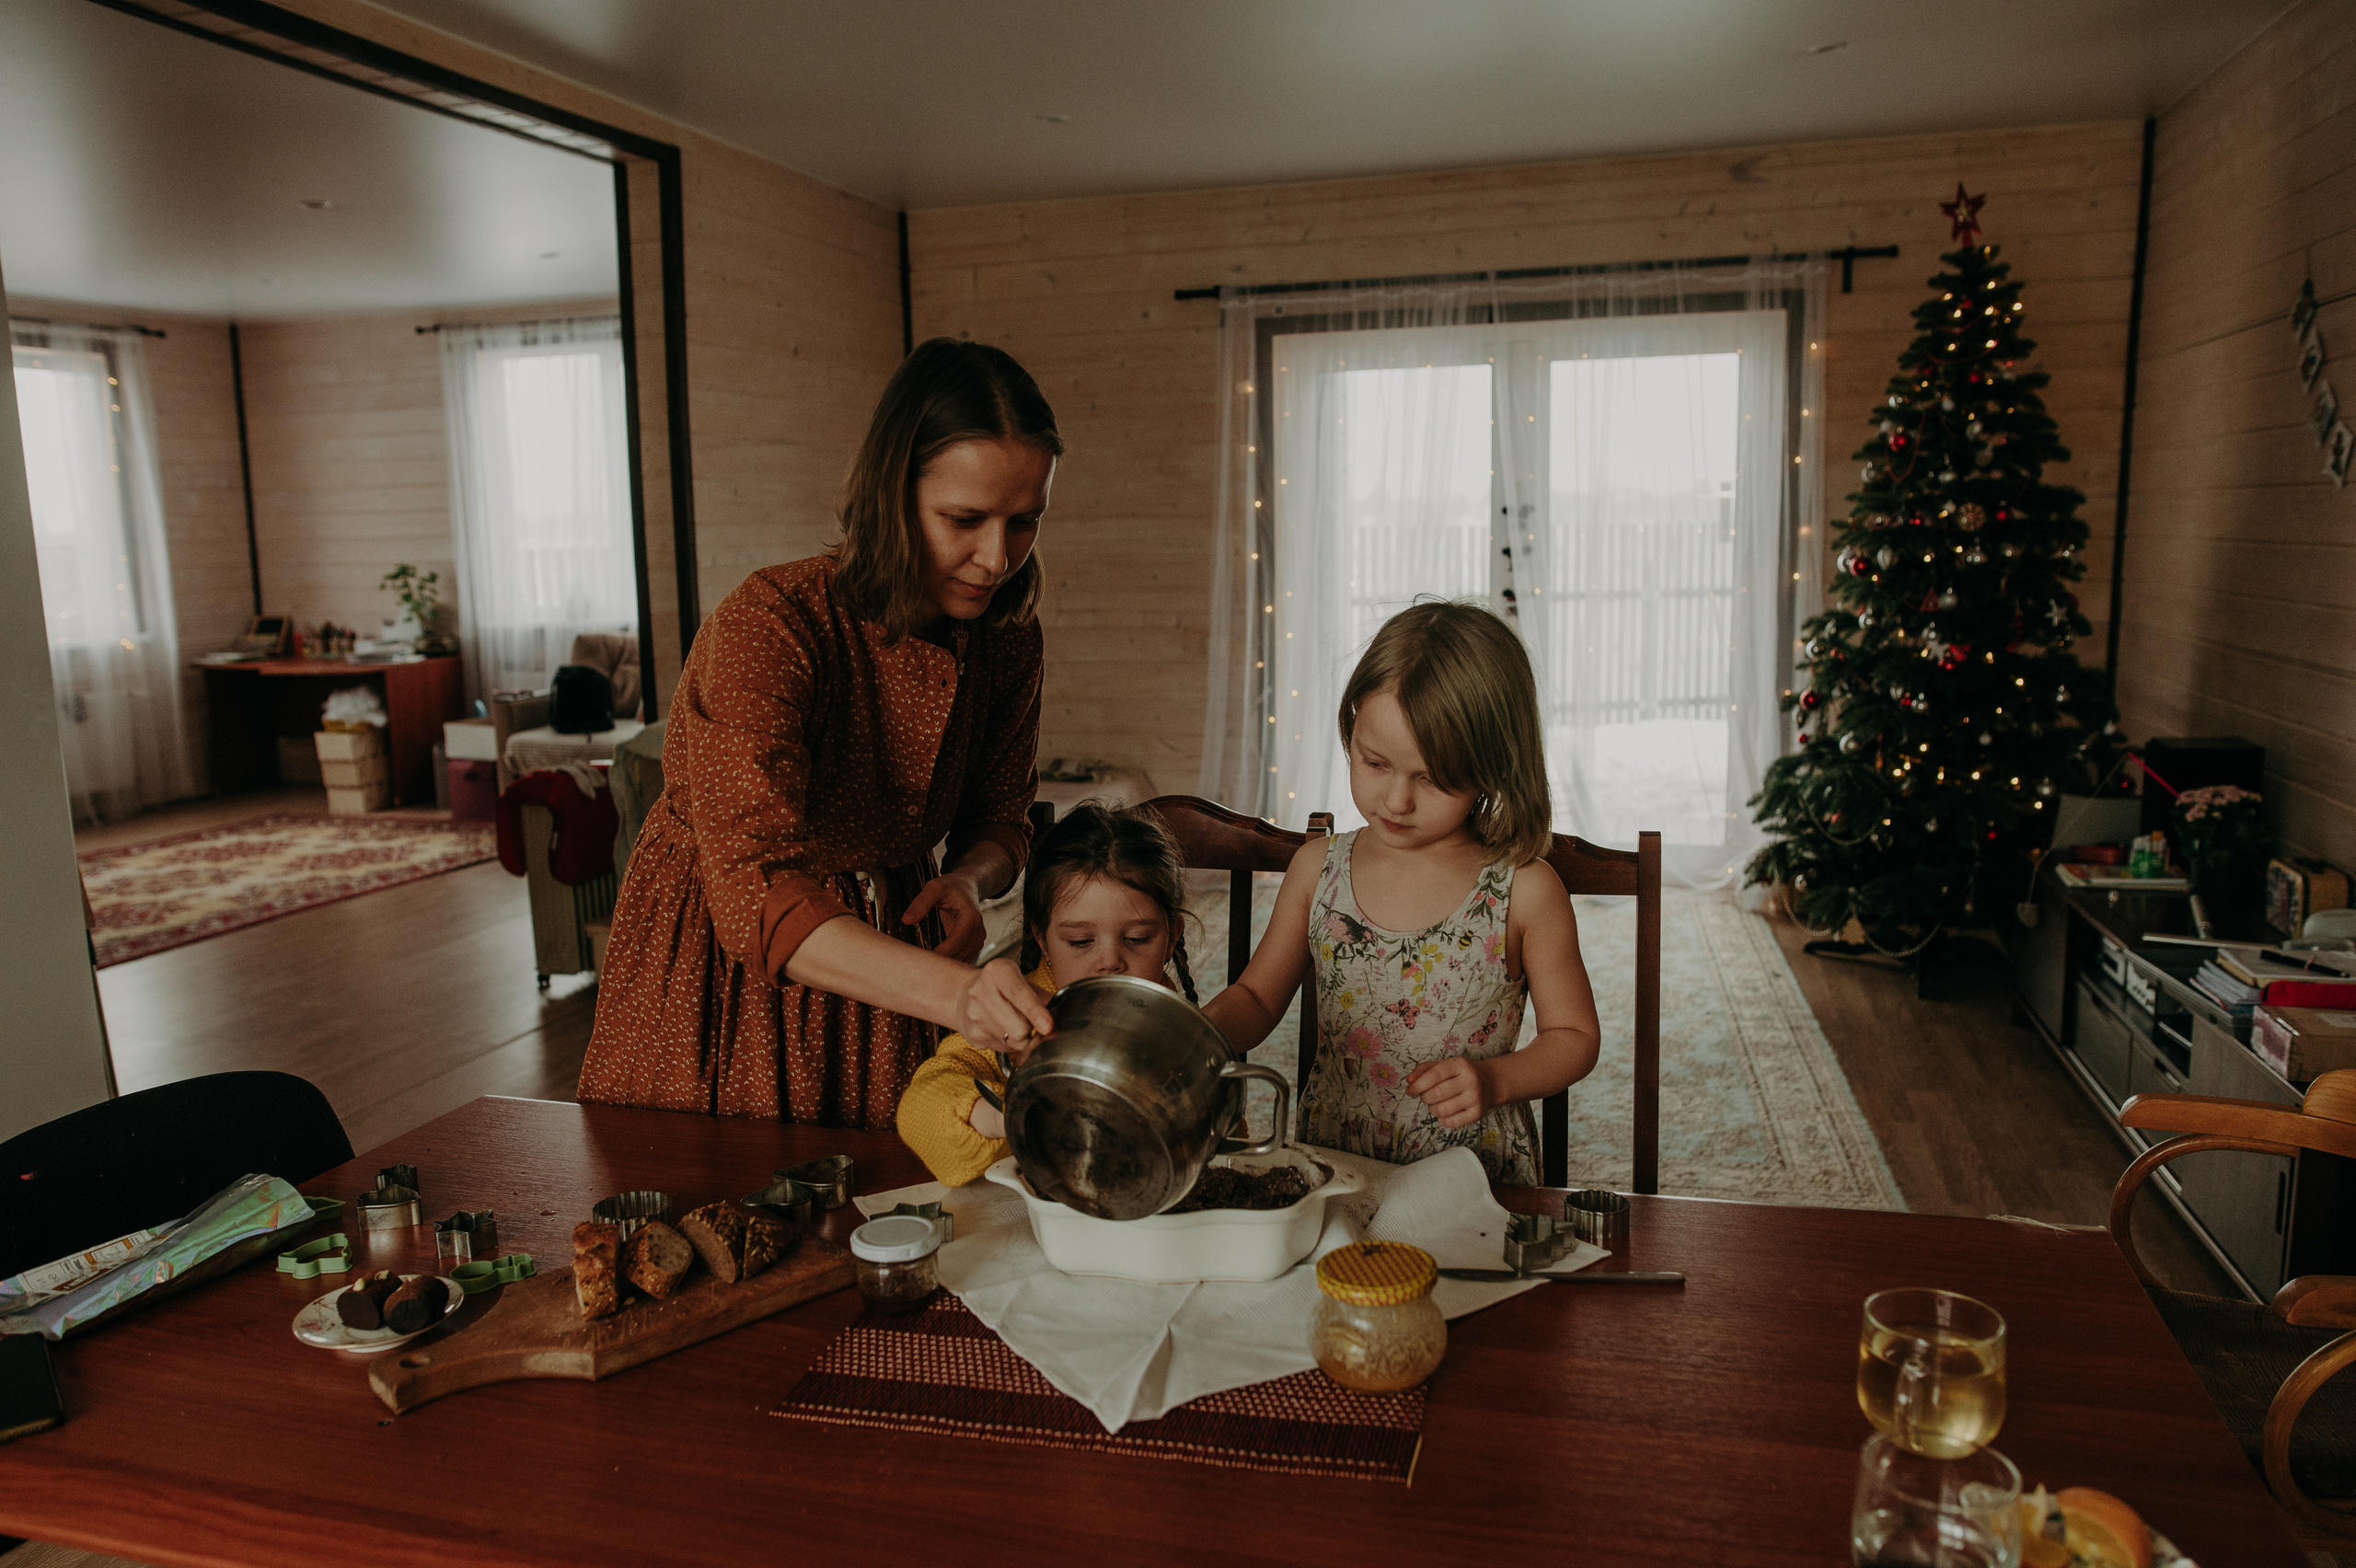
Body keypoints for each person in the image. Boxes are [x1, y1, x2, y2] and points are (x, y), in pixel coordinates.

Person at [577, 340, 1060, 1127]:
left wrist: (969, 879)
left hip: (891, 949)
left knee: (883, 1204)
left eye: (1025, 522)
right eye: (964, 520)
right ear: (890, 494)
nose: (995, 557)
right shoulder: (773, 623)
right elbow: (758, 889)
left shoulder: (1007, 637)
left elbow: (1000, 814)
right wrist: (958, 992)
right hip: (726, 962)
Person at [1202, 601, 1602, 1182]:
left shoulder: (1525, 890)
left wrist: (1497, 1080)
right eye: (1374, 763)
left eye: (1432, 780)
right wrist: (1196, 1033)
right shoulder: (1318, 870)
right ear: (1351, 727)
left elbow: (1574, 1036)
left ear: (1493, 768)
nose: (1396, 800)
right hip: (1338, 1168)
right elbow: (1259, 1000)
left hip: (1474, 1178)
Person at [896, 802, 1197, 1185]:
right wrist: (1007, 1115)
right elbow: (919, 1108)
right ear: (1042, 937)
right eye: (1080, 941)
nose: (1109, 962)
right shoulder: (1014, 1016)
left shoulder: (1178, 1026)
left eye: (1137, 939)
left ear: (1172, 936)